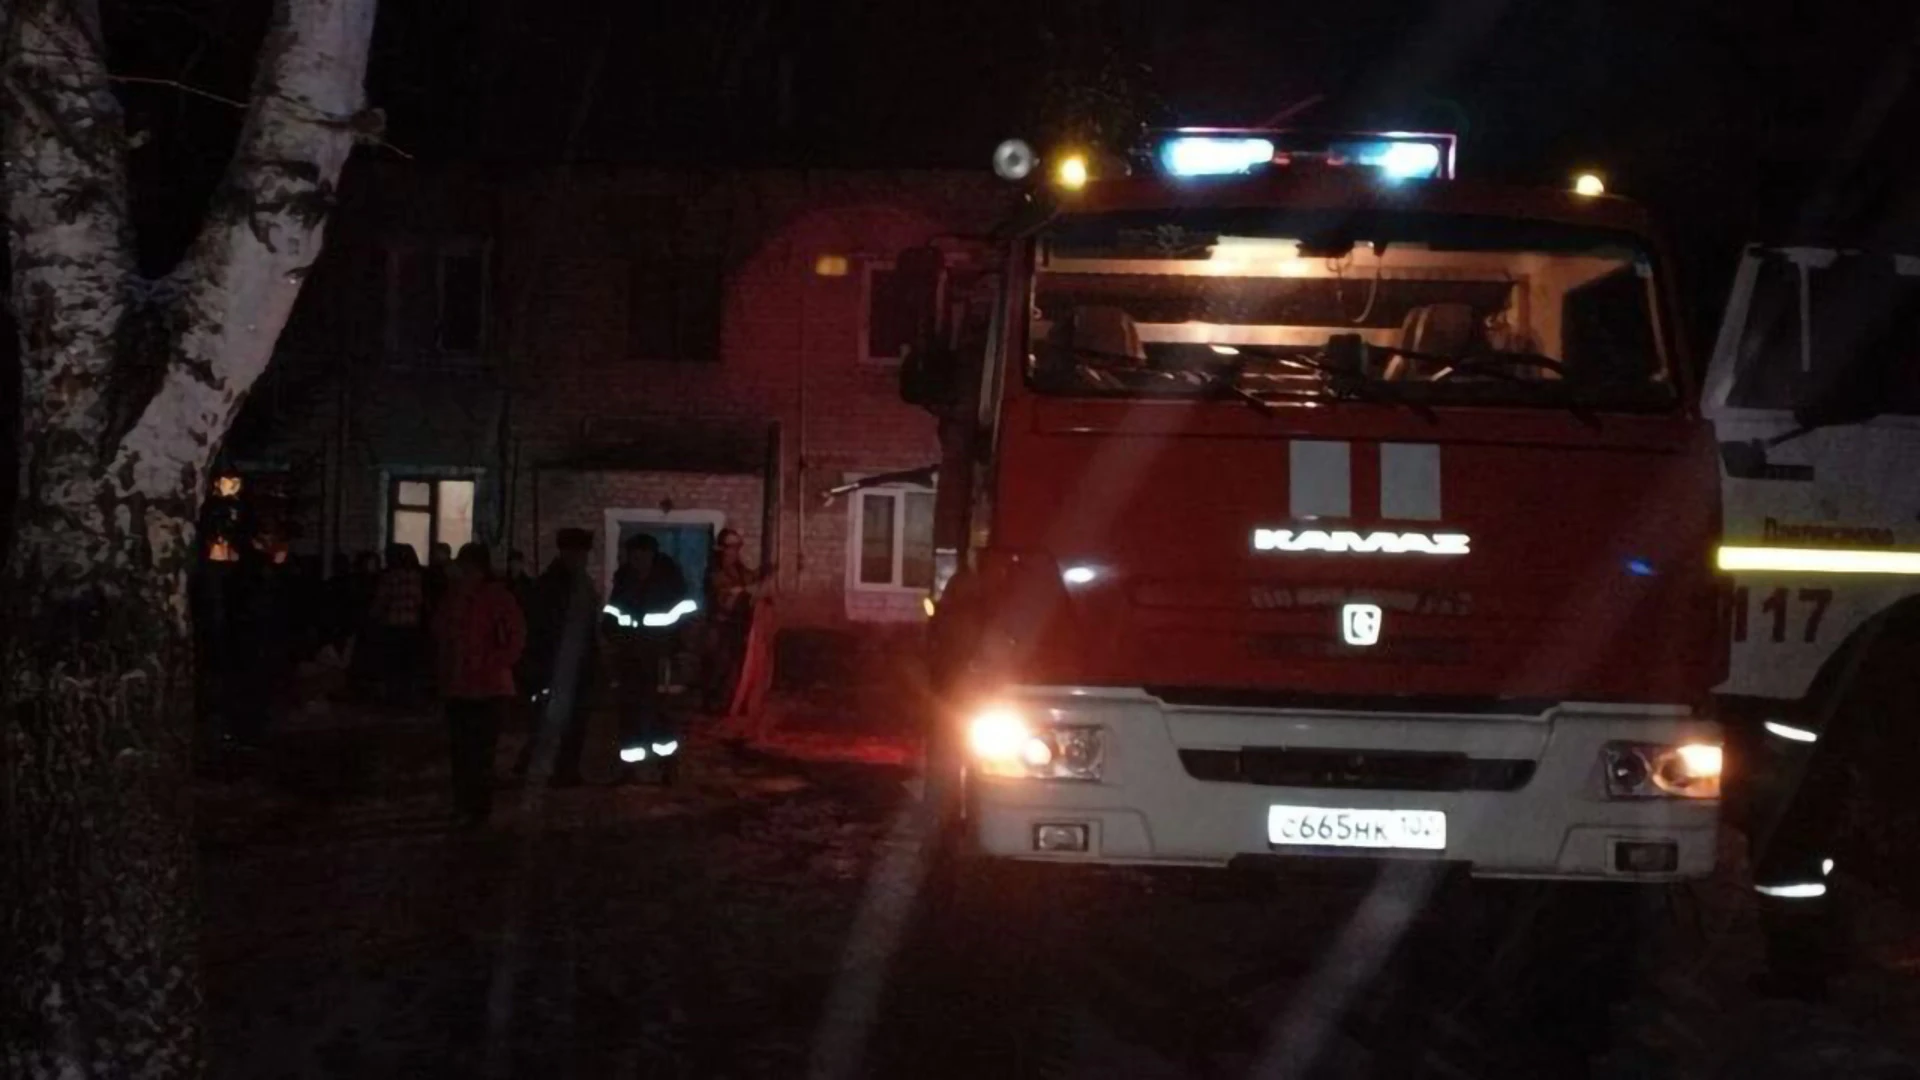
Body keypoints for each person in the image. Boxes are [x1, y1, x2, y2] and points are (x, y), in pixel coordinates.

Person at [433, 543, 526, 827]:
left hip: (488, 685)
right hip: (461, 685)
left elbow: (515, 636)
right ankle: (465, 804)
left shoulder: (497, 598)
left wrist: (494, 662)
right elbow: (441, 634)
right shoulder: (455, 597)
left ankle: (477, 807)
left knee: (481, 750)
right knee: (462, 750)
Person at [512, 529, 601, 787]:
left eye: (583, 554)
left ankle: (566, 769)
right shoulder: (550, 585)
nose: (580, 558)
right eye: (575, 553)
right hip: (554, 664)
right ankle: (544, 767)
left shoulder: (582, 583)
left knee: (575, 721)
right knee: (550, 721)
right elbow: (539, 627)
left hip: (578, 663)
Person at [604, 533, 692, 784]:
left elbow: (685, 620)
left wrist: (676, 651)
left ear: (652, 555)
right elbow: (612, 615)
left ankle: (667, 768)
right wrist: (613, 639)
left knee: (661, 714)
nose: (638, 560)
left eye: (642, 554)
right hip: (630, 658)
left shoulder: (670, 584)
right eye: (633, 555)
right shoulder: (624, 581)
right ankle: (630, 769)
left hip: (660, 658)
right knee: (629, 713)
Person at [702, 528, 762, 715]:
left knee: (736, 667)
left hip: (737, 627)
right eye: (731, 546)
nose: (735, 551)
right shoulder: (714, 571)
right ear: (721, 548)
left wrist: (763, 574)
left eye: (738, 546)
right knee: (720, 666)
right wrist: (744, 590)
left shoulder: (739, 569)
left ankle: (731, 705)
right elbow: (726, 595)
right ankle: (714, 707)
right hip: (720, 627)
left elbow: (751, 580)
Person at [366, 544, 426, 706]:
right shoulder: (416, 577)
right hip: (412, 625)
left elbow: (380, 601)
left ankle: (394, 696)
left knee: (393, 663)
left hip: (392, 625)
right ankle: (408, 695)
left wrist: (373, 618)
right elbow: (420, 601)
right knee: (409, 663)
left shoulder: (389, 578)